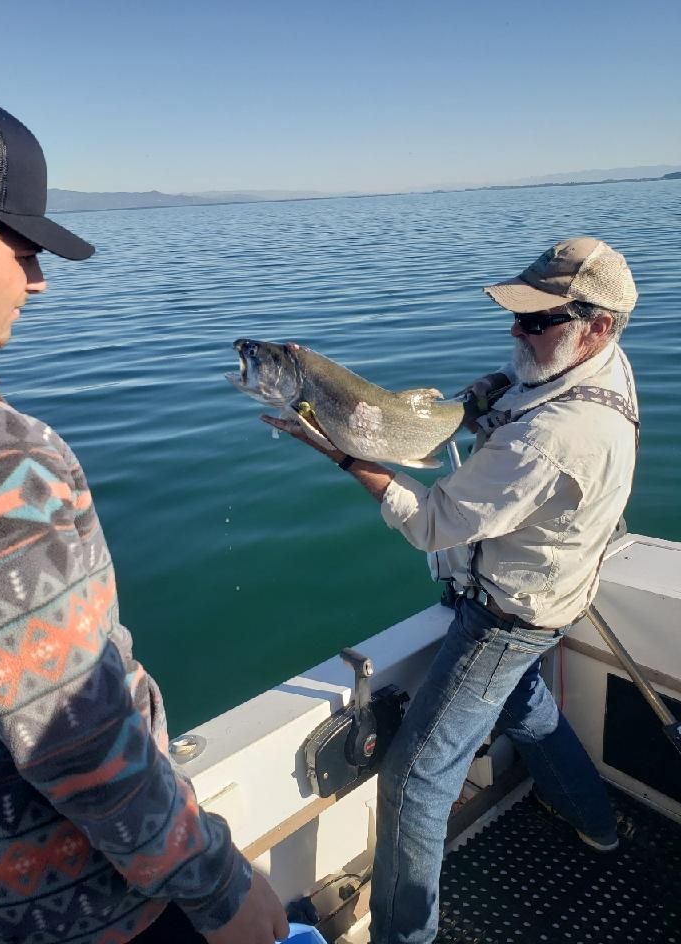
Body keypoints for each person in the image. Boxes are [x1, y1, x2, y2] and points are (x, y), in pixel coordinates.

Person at [0, 84, 288, 944]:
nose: (37, 280)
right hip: (78, 907)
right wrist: (221, 889)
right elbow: (73, 731)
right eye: (21, 247)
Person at [263, 236, 639, 944]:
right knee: (527, 710)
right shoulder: (597, 368)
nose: (516, 331)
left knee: (412, 784)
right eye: (516, 314)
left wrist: (345, 454)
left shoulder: (552, 438)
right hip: (557, 595)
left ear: (597, 325)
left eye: (536, 320)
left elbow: (431, 523)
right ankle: (595, 823)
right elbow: (514, 383)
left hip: (503, 620)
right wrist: (471, 400)